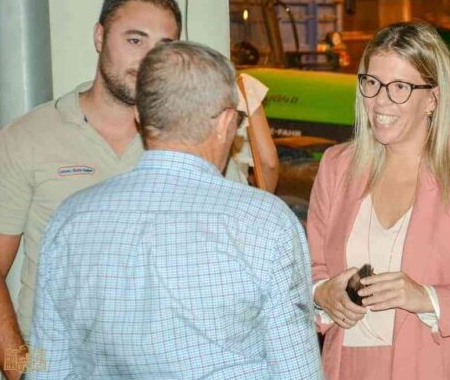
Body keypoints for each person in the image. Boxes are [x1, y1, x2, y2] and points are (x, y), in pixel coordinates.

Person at [27, 41, 323, 380]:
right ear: (226, 123)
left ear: (139, 117)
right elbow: (297, 371)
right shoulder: (265, 221)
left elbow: (44, 364)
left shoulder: (70, 219)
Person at [308, 21, 450, 380]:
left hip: (441, 367)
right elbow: (312, 270)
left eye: (400, 87)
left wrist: (426, 297)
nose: (380, 101)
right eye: (372, 83)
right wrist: (322, 293)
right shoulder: (337, 166)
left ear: (433, 99)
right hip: (351, 368)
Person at [0, 0, 180, 379]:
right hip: (59, 367)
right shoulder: (28, 138)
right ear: (99, 37)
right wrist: (22, 372)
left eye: (163, 47)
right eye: (134, 40)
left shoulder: (190, 142)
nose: (148, 59)